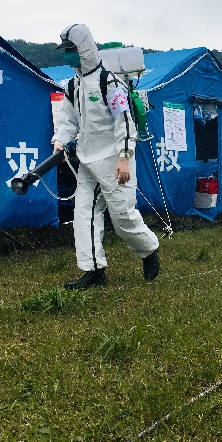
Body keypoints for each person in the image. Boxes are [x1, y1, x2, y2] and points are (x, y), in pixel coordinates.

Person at [52, 23, 160, 289]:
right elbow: (68, 120)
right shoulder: (72, 86)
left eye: (71, 49)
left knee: (122, 217)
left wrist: (124, 157)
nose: (67, 55)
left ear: (84, 48)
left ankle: (148, 250)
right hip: (88, 161)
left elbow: (125, 121)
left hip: (114, 160)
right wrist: (60, 141)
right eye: (65, 50)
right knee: (84, 215)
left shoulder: (109, 82)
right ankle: (93, 271)